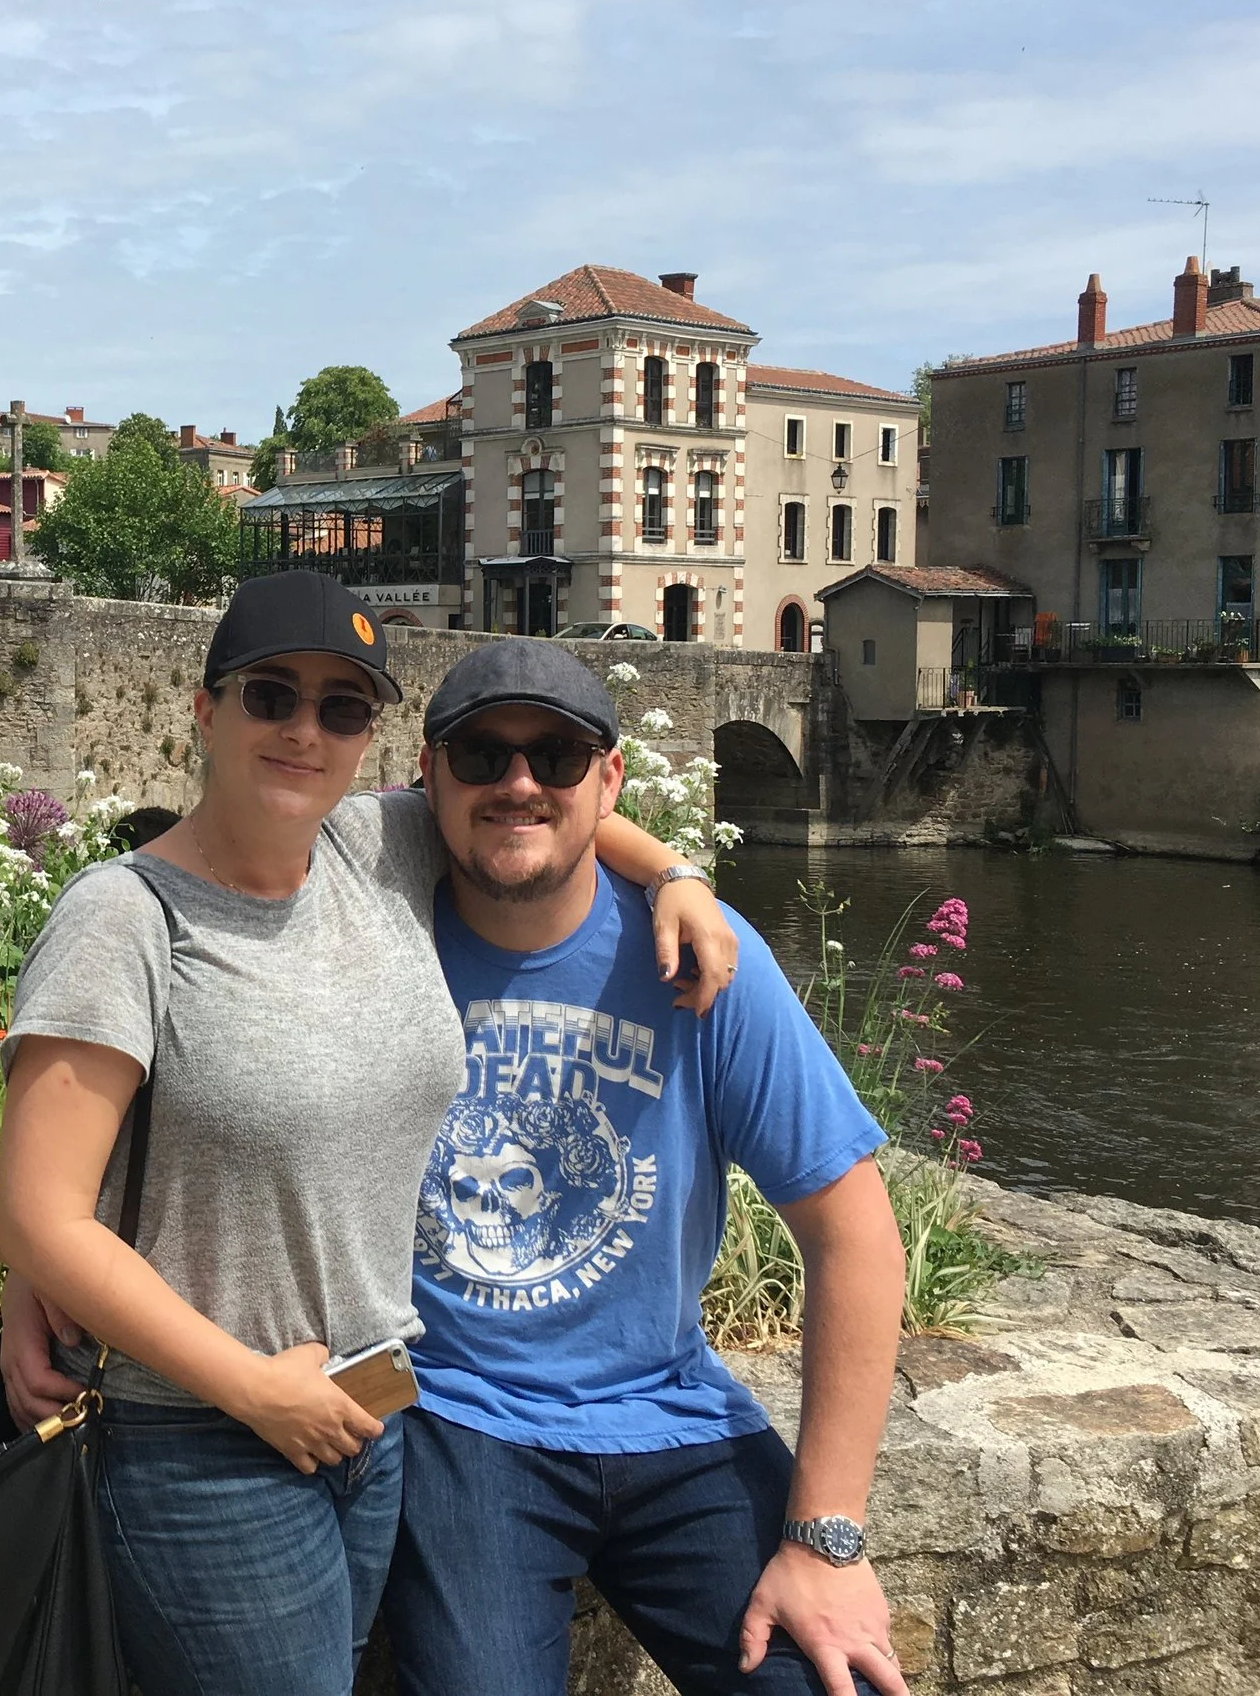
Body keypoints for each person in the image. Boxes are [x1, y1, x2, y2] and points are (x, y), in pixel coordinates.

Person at [0, 570, 736, 1696]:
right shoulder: (123, 916)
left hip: (369, 1418)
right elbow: (40, 1217)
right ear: (205, 709)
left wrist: (675, 875)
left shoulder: (374, 849)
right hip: (198, 1439)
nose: (304, 730)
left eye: (343, 708)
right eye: (270, 696)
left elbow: (532, 805)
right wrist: (251, 1390)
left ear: (372, 737)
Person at [382, 636, 906, 1696]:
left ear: (608, 778)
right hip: (462, 1420)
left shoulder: (705, 960)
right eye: (481, 755)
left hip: (672, 1416)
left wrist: (826, 1538)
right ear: (425, 774)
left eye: (558, 757)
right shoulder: (374, 925)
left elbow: (853, 1234)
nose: (518, 782)